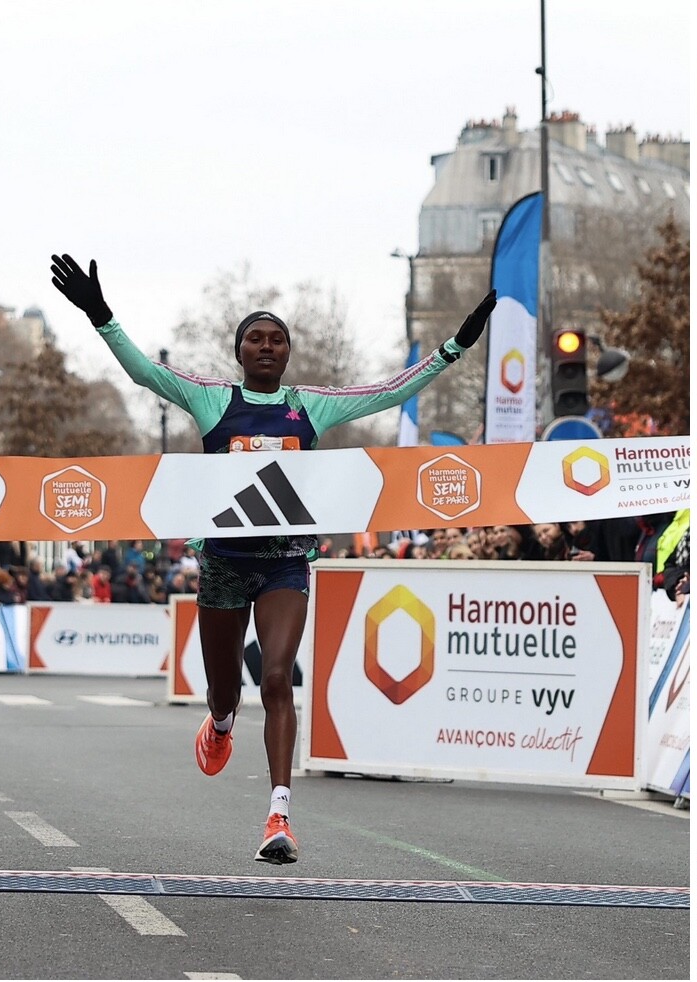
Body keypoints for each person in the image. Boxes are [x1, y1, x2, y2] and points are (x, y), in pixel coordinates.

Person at [51, 252, 493, 865]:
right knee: (224, 692)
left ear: (288, 352)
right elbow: (146, 373)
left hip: (285, 560)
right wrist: (100, 315)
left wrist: (455, 347)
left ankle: (278, 816)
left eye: (276, 339)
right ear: (239, 351)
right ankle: (220, 724)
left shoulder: (311, 406)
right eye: (255, 338)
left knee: (279, 676)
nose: (266, 346)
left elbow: (390, 391)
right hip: (224, 563)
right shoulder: (212, 400)